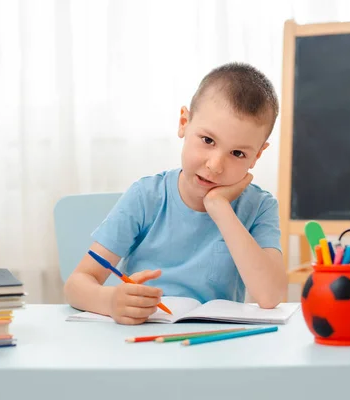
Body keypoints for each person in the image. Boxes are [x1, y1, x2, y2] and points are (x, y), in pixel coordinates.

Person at [64, 62, 286, 325]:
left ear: (257, 155)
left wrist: (219, 206)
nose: (215, 165)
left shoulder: (260, 206)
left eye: (238, 153)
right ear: (184, 122)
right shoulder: (145, 197)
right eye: (207, 140)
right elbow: (76, 285)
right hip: (143, 340)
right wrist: (111, 301)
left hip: (213, 345)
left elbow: (271, 296)